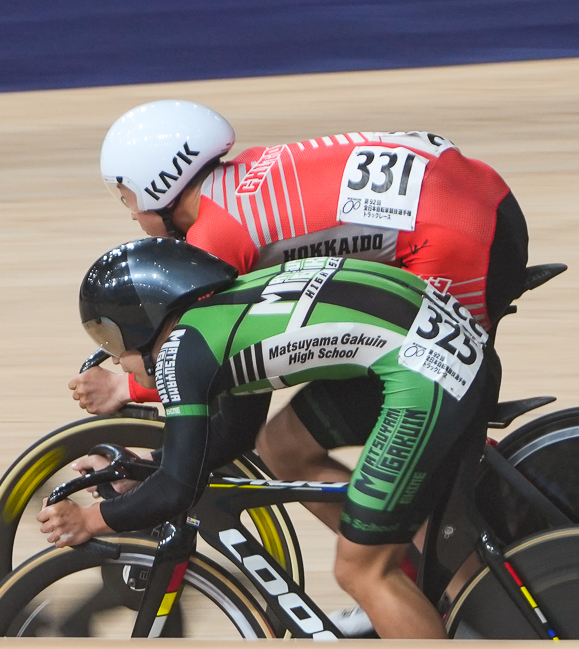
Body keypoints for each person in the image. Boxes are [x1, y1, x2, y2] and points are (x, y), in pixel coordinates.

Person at [38, 239, 510, 649]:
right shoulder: (222, 309)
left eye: (114, 341)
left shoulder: (182, 351)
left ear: (148, 322)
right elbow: (230, 438)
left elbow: (176, 489)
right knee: (280, 446)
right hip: (444, 346)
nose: (116, 359)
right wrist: (146, 470)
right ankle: (415, 601)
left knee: (361, 570)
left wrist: (92, 521)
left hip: (426, 376)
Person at [75, 101, 529, 539]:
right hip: (476, 194)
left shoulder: (217, 239)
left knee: (418, 403)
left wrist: (127, 388)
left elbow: (216, 376)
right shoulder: (235, 183)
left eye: (127, 196)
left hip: (457, 241)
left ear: (161, 185)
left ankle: (425, 563)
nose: (132, 213)